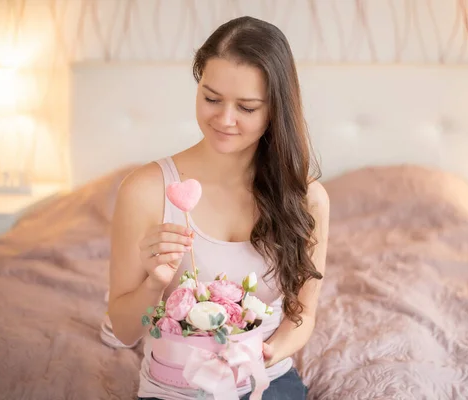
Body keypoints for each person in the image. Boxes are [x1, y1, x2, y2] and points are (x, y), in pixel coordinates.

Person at [108, 15, 330, 400]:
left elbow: (303, 314)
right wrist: (155, 284)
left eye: (246, 107)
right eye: (211, 98)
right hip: (176, 388)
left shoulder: (307, 200)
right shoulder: (145, 191)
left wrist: (266, 351)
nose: (224, 120)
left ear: (275, 110)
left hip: (266, 378)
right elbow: (127, 330)